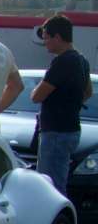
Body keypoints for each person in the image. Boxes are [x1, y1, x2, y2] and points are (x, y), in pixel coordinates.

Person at [32, 14, 92, 196]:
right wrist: (70, 103)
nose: (45, 43)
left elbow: (37, 96)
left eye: (47, 38)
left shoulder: (62, 61)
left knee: (50, 187)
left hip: (56, 132)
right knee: (58, 180)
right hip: (71, 129)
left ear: (57, 37)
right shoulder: (82, 60)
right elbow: (88, 92)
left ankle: (55, 214)